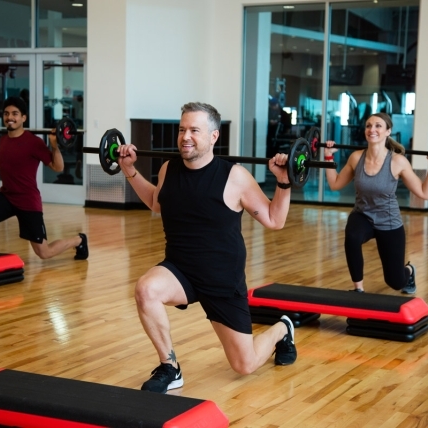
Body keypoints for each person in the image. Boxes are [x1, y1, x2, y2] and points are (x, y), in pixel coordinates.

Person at [117, 102, 297, 394]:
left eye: (194, 130)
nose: (186, 136)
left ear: (213, 136)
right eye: (182, 129)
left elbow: (275, 220)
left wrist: (284, 183)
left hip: (222, 280)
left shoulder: (234, 176)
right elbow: (155, 202)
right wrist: (129, 170)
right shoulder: (168, 169)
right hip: (181, 270)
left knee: (244, 365)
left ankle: (282, 329)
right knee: (146, 289)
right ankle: (169, 367)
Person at [322, 112, 428, 294]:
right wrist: (328, 157)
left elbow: (425, 193)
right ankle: (358, 289)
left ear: (388, 131)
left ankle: (408, 271)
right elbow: (335, 184)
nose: (372, 129)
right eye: (369, 126)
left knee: (395, 282)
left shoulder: (397, 161)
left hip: (389, 221)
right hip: (362, 215)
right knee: (352, 237)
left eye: (378, 126)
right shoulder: (356, 158)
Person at [0, 96, 88, 260]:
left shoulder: (33, 142)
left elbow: (57, 167)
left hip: (27, 201)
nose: (10, 117)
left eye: (15, 114)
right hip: (8, 196)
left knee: (44, 253)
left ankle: (79, 240)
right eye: (7, 113)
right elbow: (0, 164)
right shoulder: (3, 140)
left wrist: (54, 145)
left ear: (23, 118)